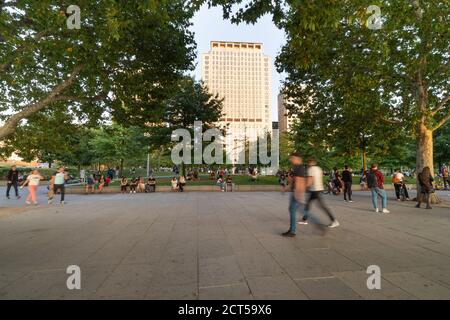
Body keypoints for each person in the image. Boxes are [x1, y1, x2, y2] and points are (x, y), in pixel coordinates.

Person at [304, 158, 340, 228]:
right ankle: (304, 219)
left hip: (314, 190)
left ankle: (334, 220)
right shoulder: (319, 169)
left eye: (309, 163)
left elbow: (310, 181)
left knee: (320, 206)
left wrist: (303, 187)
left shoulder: (311, 169)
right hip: (319, 189)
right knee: (309, 204)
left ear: (310, 163)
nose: (308, 164)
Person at [282, 153, 309, 237]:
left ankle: (292, 231)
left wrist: (298, 192)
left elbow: (299, 180)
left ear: (297, 158)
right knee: (294, 209)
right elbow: (294, 179)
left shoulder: (299, 167)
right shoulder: (297, 168)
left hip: (296, 192)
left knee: (292, 209)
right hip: (296, 191)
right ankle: (306, 214)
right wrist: (288, 185)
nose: (291, 159)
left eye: (292, 158)